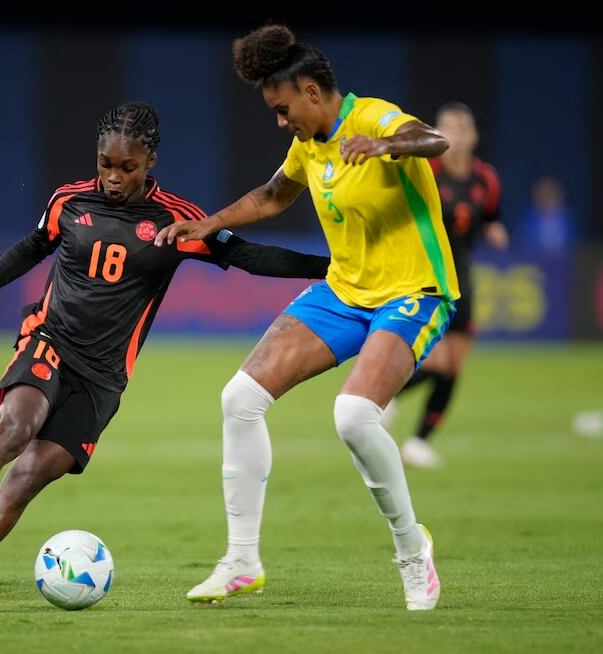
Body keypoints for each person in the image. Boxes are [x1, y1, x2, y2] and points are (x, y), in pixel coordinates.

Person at [0, 101, 329, 611]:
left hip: (103, 377)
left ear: (151, 162)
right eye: (106, 164)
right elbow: (32, 248)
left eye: (127, 167)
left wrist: (333, 267)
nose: (113, 177)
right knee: (14, 428)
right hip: (49, 340)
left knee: (27, 478)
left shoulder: (177, 220)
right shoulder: (69, 201)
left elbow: (250, 257)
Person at [155, 25, 455, 610]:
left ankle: (411, 549)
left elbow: (434, 140)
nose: (280, 121)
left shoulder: (374, 118)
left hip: (413, 291)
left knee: (353, 416)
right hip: (345, 291)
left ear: (313, 92)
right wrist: (210, 224)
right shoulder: (309, 144)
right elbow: (273, 195)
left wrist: (387, 147)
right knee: (239, 398)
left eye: (283, 108)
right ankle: (242, 562)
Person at [393, 102, 508, 469]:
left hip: (463, 279)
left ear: (473, 136)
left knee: (454, 366)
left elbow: (489, 216)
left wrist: (494, 230)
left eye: (462, 129)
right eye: (448, 129)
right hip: (427, 278)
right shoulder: (425, 170)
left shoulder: (485, 179)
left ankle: (418, 442)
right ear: (435, 134)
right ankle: (384, 396)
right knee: (438, 360)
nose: (455, 137)